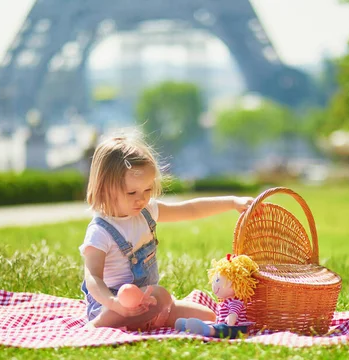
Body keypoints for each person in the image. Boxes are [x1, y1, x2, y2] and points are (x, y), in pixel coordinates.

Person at [80, 133, 253, 330]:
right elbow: (92, 277)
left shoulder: (146, 212)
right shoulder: (100, 231)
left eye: (147, 190)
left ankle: (152, 319)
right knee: (158, 295)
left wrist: (231, 202)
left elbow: (190, 209)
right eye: (131, 193)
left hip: (149, 303)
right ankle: (95, 327)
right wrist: (114, 303)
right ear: (105, 189)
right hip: (109, 308)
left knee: (210, 315)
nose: (141, 199)